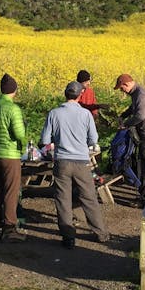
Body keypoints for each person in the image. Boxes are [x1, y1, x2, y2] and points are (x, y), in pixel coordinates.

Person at [40, 81, 109, 249]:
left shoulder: (54, 113)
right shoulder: (85, 115)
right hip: (81, 162)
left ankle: (68, 237)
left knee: (63, 199)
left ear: (65, 94)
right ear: (79, 96)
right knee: (89, 198)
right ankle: (100, 233)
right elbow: (93, 140)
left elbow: (45, 140)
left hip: (62, 162)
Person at [0, 72, 28, 242]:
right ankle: (9, 229)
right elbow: (19, 133)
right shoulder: (13, 109)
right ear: (14, 90)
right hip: (10, 155)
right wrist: (23, 141)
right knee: (11, 191)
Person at [113, 73, 145, 202]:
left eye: (121, 88)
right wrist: (124, 115)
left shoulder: (141, 94)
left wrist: (126, 124)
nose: (122, 91)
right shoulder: (135, 94)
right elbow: (133, 108)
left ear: (126, 84)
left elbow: (140, 116)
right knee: (143, 163)